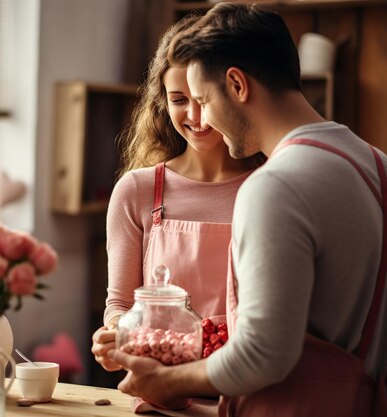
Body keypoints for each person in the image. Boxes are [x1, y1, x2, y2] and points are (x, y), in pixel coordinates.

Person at [109, 3, 387, 417]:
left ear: (237, 84)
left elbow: (262, 355)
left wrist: (165, 382)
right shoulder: (381, 168)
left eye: (203, 98)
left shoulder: (274, 185)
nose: (205, 119)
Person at [91, 14, 264, 373]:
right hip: (161, 391)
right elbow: (120, 304)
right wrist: (115, 336)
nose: (195, 115)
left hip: (246, 390)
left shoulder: (268, 187)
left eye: (203, 98)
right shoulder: (137, 191)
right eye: (179, 99)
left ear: (235, 92)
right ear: (162, 102)